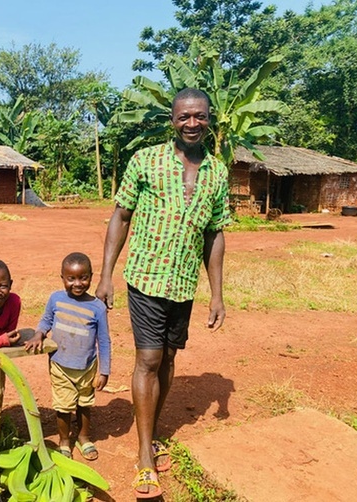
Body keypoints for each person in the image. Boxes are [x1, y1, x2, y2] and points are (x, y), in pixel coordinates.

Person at [95, 88, 232, 499]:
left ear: (210, 119)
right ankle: (143, 455)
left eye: (200, 116)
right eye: (184, 116)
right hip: (146, 277)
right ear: (172, 120)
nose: (192, 123)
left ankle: (150, 426)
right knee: (149, 358)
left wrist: (217, 294)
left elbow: (215, 233)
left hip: (184, 281)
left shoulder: (218, 172)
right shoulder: (146, 160)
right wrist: (106, 275)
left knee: (169, 356)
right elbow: (120, 216)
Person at [25, 252, 111, 461]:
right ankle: (64, 441)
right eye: (71, 278)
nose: (78, 283)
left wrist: (104, 371)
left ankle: (83, 437)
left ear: (91, 276)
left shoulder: (97, 307)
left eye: (83, 278)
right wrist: (39, 334)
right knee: (63, 406)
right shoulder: (56, 299)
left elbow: (104, 340)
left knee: (84, 403)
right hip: (60, 364)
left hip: (87, 366)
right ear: (62, 277)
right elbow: (46, 320)